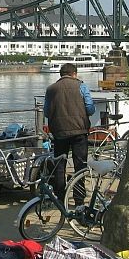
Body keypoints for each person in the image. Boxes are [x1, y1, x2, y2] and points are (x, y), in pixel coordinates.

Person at [43, 62, 95, 209]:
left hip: (59, 132)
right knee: (80, 166)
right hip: (79, 131)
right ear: (74, 74)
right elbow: (90, 109)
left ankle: (60, 198)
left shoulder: (51, 89)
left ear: (61, 74)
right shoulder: (81, 86)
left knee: (60, 165)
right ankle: (79, 200)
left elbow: (47, 112)